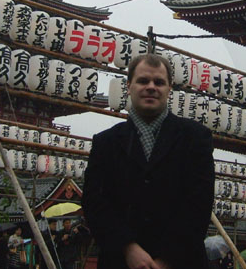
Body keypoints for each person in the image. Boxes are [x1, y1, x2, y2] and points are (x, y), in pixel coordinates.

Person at [83, 54, 216, 269]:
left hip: (182, 261)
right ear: (129, 86)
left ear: (169, 88)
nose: (151, 87)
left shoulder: (196, 138)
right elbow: (94, 202)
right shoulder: (105, 142)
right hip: (120, 260)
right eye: (143, 81)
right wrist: (128, 247)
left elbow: (199, 202)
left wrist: (167, 258)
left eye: (159, 82)